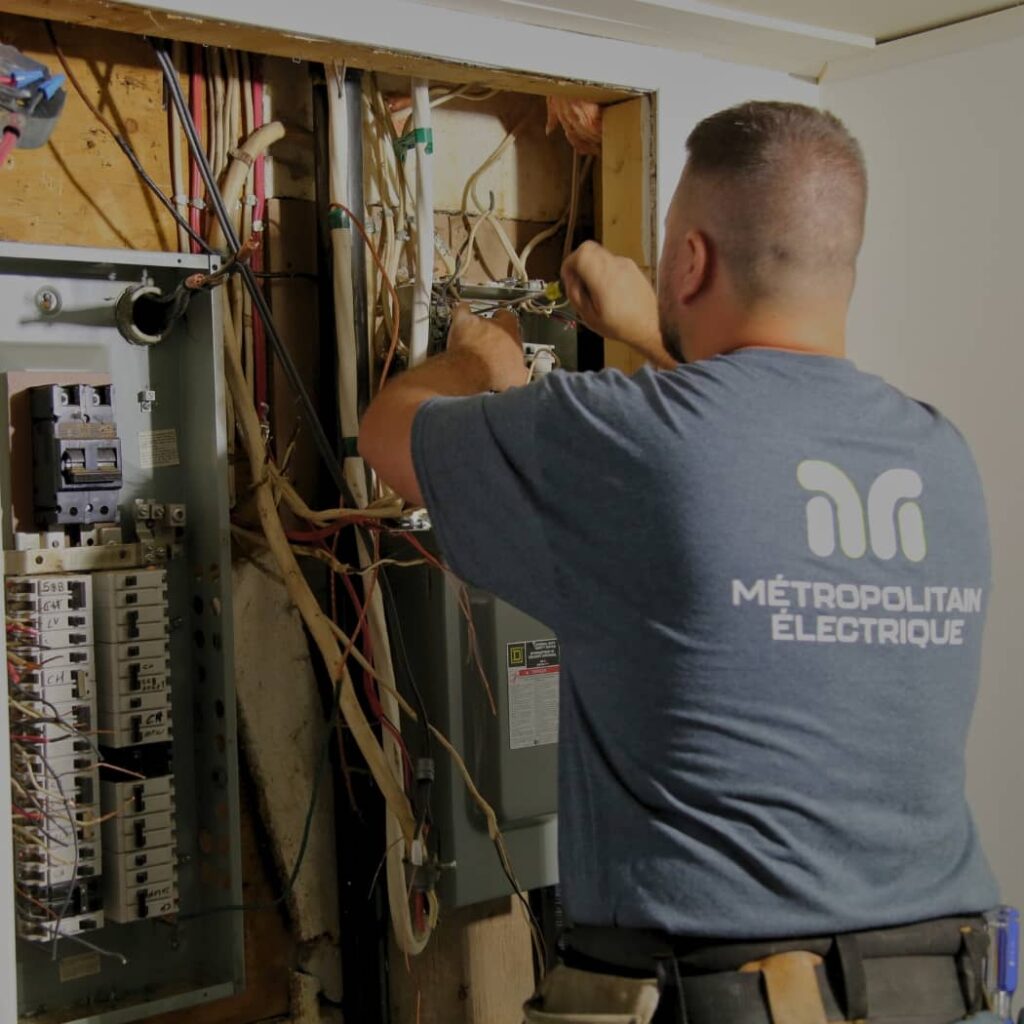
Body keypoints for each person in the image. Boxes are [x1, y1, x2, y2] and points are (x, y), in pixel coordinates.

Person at [358, 101, 998, 1024]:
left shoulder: (623, 442)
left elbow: (389, 436)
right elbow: (752, 443)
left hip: (727, 992)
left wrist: (476, 363)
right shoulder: (941, 458)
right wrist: (656, 334)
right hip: (945, 985)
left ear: (690, 261)